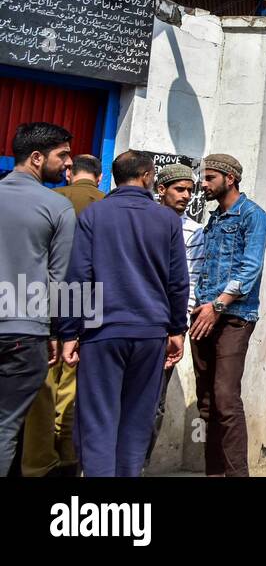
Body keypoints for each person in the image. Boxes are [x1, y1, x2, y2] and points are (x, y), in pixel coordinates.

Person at [57, 150, 188, 477]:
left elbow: (77, 276)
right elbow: (178, 282)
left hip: (101, 333)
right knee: (136, 420)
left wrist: (68, 333)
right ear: (146, 176)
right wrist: (176, 330)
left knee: (98, 419)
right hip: (150, 333)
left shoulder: (94, 216)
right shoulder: (168, 220)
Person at [21, 153, 104, 476]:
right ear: (98, 177)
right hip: (87, 306)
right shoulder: (106, 204)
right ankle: (68, 455)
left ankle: (37, 462)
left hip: (40, 303)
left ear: (70, 173)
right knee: (72, 386)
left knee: (42, 388)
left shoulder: (50, 199)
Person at [0, 123, 74, 476]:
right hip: (23, 333)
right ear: (36, 157)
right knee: (6, 426)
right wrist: (59, 334)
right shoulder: (56, 208)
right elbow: (59, 279)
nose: (68, 163)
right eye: (62, 155)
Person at [191, 153, 266, 477]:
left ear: (229, 178)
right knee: (207, 402)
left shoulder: (252, 216)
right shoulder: (214, 219)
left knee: (225, 399)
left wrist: (218, 306)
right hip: (203, 314)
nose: (203, 184)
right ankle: (214, 473)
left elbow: (250, 268)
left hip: (233, 315)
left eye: (209, 178)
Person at [144, 162, 207, 465]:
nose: (185, 195)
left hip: (165, 328)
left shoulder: (195, 233)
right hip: (135, 325)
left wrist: (178, 329)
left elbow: (191, 283)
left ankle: (137, 466)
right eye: (179, 189)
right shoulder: (142, 222)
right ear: (160, 190)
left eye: (190, 190)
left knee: (154, 404)